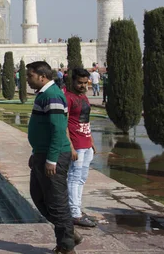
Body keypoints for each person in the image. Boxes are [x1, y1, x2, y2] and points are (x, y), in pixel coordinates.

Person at [25, 61, 79, 254]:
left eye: (30, 76)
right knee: (38, 197)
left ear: (42, 76)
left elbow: (58, 130)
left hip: (53, 155)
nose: (27, 80)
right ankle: (69, 234)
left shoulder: (53, 95)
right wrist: (36, 153)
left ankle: (66, 247)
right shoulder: (45, 94)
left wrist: (51, 159)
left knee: (57, 203)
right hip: (42, 153)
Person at [65, 68, 97, 228]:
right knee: (74, 177)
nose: (83, 86)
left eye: (85, 83)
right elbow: (63, 123)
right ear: (72, 81)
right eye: (80, 83)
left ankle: (77, 209)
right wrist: (70, 146)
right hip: (76, 144)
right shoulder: (67, 97)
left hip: (85, 143)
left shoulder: (83, 97)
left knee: (82, 178)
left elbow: (86, 119)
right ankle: (74, 213)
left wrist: (91, 140)